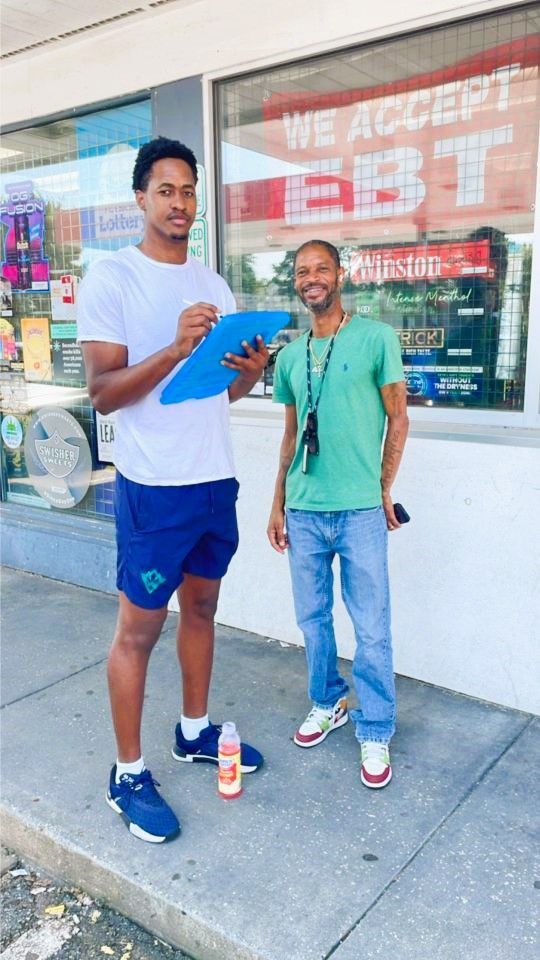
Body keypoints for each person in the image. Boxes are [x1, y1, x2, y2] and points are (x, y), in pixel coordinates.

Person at [77, 136, 267, 843]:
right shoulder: (112, 280)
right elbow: (101, 395)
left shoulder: (213, 285)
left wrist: (249, 366)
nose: (180, 202)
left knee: (204, 608)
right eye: (166, 190)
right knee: (139, 629)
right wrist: (174, 349)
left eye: (188, 191)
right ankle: (126, 774)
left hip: (213, 479)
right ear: (140, 199)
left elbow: (229, 388)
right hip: (154, 487)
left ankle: (193, 731)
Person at [267, 240, 408, 789]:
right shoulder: (288, 355)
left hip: (358, 512)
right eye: (302, 271)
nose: (312, 278)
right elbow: (288, 433)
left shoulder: (375, 338)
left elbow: (398, 418)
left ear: (339, 275)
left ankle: (375, 726)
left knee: (372, 627)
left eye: (321, 268)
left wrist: (384, 488)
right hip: (303, 509)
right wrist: (277, 501)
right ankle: (329, 701)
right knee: (312, 619)